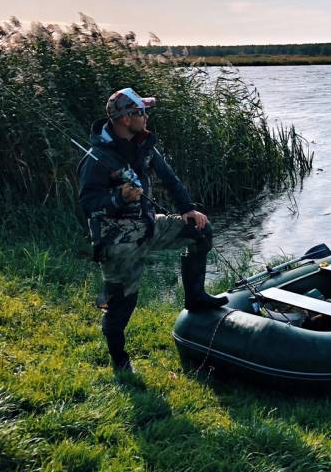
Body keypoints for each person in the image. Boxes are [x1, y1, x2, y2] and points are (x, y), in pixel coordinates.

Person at [77, 87, 227, 374]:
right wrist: (118, 198)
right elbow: (87, 205)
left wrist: (187, 209)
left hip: (148, 225)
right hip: (116, 241)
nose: (146, 117)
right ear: (125, 118)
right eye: (141, 112)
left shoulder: (144, 144)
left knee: (200, 231)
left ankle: (195, 297)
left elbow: (170, 177)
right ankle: (119, 360)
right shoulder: (96, 158)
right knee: (122, 305)